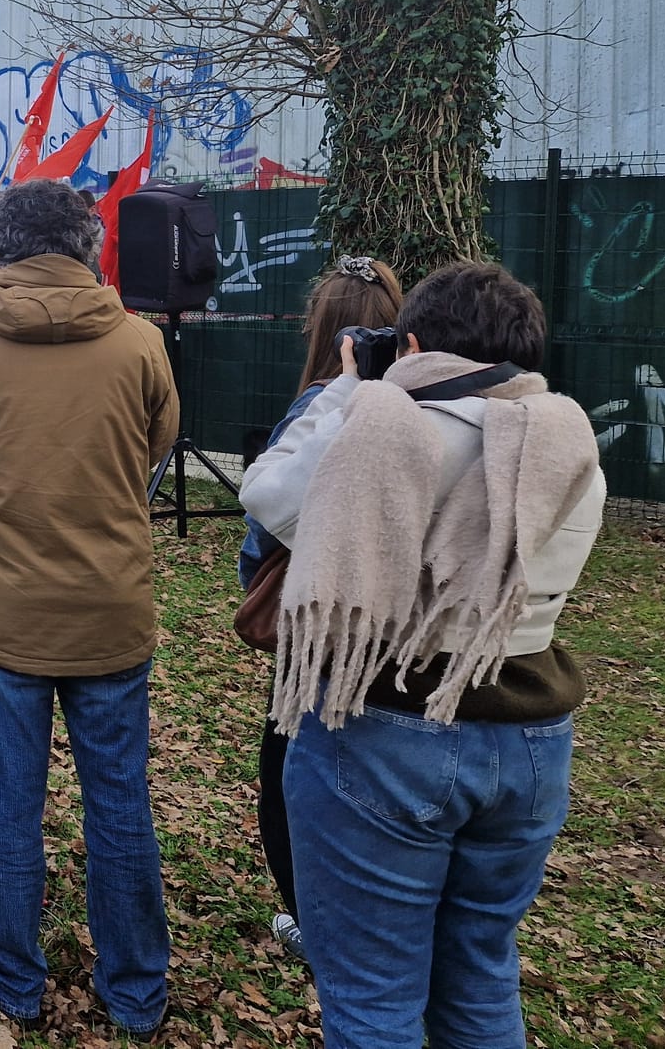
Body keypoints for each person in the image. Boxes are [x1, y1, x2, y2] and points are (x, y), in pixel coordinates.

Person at [238, 262, 604, 1049]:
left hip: (387, 725)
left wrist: (346, 388)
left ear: (409, 342)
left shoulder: (384, 429)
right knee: (478, 977)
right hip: (533, 737)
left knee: (374, 998)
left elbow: (269, 495)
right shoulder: (568, 441)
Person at [0, 180, 177, 1041]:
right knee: (119, 801)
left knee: (10, 803)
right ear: (88, 245)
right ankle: (137, 992)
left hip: (6, 612)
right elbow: (158, 443)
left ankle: (14, 980)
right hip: (110, 607)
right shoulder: (139, 342)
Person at [235, 254, 403, 961]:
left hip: (318, 627)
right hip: (393, 623)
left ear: (324, 329)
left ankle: (314, 921)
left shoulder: (322, 405)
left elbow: (267, 515)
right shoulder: (422, 402)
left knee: (289, 779)